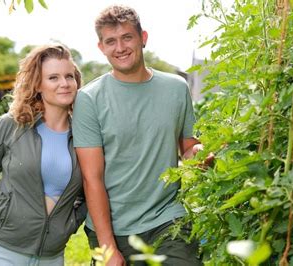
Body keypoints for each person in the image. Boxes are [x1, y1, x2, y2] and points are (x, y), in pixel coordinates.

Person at [72, 5, 208, 266]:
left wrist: (201, 155)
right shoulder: (89, 100)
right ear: (101, 47)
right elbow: (92, 178)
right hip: (115, 224)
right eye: (110, 41)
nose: (120, 47)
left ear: (142, 38)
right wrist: (108, 246)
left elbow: (188, 147)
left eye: (127, 37)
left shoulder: (176, 89)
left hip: (167, 216)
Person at [0, 44, 86, 266]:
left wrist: (71, 222)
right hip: (0, 249)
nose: (64, 84)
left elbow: (91, 186)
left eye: (69, 76)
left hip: (51, 256)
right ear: (38, 84)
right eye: (53, 77)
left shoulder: (84, 134)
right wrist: (6, 210)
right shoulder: (11, 125)